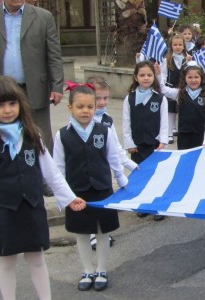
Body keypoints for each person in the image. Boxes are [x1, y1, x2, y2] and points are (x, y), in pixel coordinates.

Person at [0, 76, 87, 299]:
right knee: (6, 261)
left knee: (37, 258)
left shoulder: (32, 134)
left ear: (20, 104)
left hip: (32, 208)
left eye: (12, 104)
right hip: (4, 211)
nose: (7, 110)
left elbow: (51, 172)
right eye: (0, 105)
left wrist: (69, 198)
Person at [53, 85, 130, 292]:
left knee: (103, 232)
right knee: (82, 233)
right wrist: (63, 197)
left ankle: (102, 269)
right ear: (70, 107)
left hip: (102, 188)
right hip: (77, 193)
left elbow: (114, 157)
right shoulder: (62, 135)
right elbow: (58, 168)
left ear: (95, 107)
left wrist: (121, 179)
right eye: (80, 106)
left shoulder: (104, 130)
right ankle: (87, 270)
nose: (85, 111)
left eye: (90, 106)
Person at [0, 0, 64, 152]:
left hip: (34, 88)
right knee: (0, 135)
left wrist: (57, 86)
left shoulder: (43, 17)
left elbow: (54, 55)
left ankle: (44, 173)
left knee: (40, 137)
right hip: (0, 90)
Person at [84, 76, 138, 249]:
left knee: (104, 198)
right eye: (97, 98)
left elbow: (114, 145)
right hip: (87, 169)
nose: (102, 102)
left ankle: (104, 232)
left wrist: (126, 164)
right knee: (90, 200)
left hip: (104, 168)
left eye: (105, 98)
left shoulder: (107, 119)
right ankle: (92, 232)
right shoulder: (85, 120)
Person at [122, 61, 169, 221]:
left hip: (154, 144)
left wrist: (163, 140)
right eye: (142, 75)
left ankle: (158, 206)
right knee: (141, 176)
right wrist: (129, 143)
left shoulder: (160, 98)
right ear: (136, 77)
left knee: (156, 175)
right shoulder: (129, 98)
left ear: (154, 76)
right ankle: (144, 205)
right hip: (137, 145)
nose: (146, 78)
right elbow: (126, 122)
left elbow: (164, 122)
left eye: (149, 75)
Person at [158, 61, 205, 150]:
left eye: (196, 77)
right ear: (184, 78)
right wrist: (159, 75)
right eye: (190, 77)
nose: (193, 80)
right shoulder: (179, 93)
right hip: (184, 136)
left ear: (201, 78)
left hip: (201, 135)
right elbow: (163, 90)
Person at [162, 34, 190, 145]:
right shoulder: (167, 59)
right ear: (171, 46)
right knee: (170, 111)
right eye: (175, 45)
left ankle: (175, 128)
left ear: (183, 46)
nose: (177, 47)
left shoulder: (187, 58)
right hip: (170, 87)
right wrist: (163, 84)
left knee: (180, 109)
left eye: (180, 45)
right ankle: (169, 132)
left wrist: (187, 61)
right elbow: (164, 74)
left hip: (182, 87)